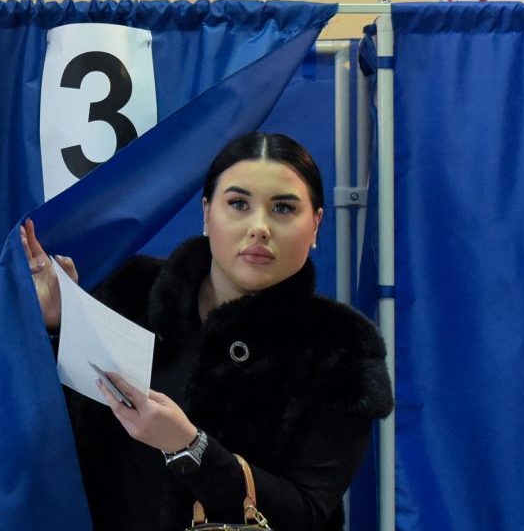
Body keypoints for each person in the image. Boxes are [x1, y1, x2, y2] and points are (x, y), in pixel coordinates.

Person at [20, 132, 393, 531]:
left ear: (316, 224)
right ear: (206, 212)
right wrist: (57, 326)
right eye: (238, 204)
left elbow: (305, 515)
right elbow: (51, 445)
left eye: (283, 208)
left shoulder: (342, 349)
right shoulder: (127, 294)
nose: (260, 227)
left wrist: (191, 448)